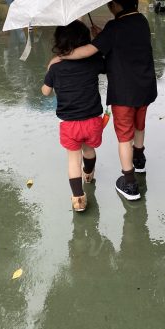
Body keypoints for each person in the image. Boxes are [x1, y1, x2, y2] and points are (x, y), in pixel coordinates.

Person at [50, 0, 157, 202]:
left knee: (124, 137)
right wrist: (103, 38)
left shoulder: (114, 27)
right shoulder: (142, 21)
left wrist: (61, 57)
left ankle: (129, 182)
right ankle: (140, 160)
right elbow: (123, 44)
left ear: (115, 5)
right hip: (145, 87)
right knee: (139, 125)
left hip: (123, 93)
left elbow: (88, 51)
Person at [42, 21, 105, 212]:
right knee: (89, 150)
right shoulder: (93, 62)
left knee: (72, 160)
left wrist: (49, 71)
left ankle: (78, 198)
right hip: (93, 120)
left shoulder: (56, 67)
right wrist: (98, 40)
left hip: (69, 124)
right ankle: (89, 174)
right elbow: (105, 63)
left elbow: (45, 92)